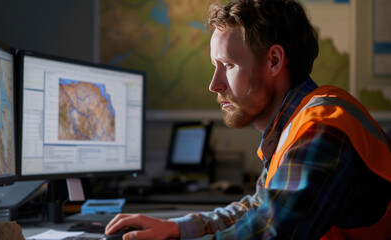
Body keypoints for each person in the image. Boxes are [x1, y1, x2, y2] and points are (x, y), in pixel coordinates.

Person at [105, 0, 391, 239]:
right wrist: (175, 228)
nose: (214, 84)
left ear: (274, 61)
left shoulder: (323, 127)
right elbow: (259, 208)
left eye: (228, 65)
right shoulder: (292, 126)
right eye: (214, 66)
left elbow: (267, 233)